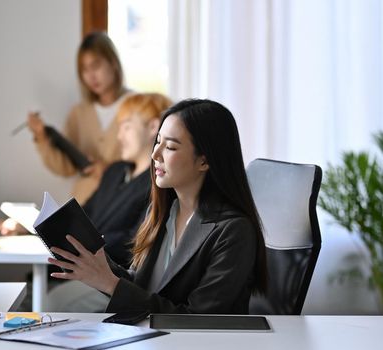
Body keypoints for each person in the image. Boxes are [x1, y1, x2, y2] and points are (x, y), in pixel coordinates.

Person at [48, 99, 268, 314]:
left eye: (170, 147)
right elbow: (146, 288)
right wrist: (100, 268)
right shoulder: (165, 211)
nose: (155, 155)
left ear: (204, 161)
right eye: (158, 142)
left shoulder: (233, 231)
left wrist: (111, 284)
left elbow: (198, 319)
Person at [45, 92, 172, 312]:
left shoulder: (159, 184)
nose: (119, 136)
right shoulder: (114, 172)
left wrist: (81, 246)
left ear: (153, 127)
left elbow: (133, 244)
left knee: (52, 300)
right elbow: (83, 214)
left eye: (126, 127)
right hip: (85, 264)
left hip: (115, 275)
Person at [27, 32, 130, 205]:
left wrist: (110, 172)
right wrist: (42, 137)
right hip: (82, 206)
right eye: (84, 69)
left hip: (120, 205)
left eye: (95, 66)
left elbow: (147, 167)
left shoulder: (136, 106)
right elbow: (65, 167)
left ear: (113, 62)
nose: (91, 76)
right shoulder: (79, 113)